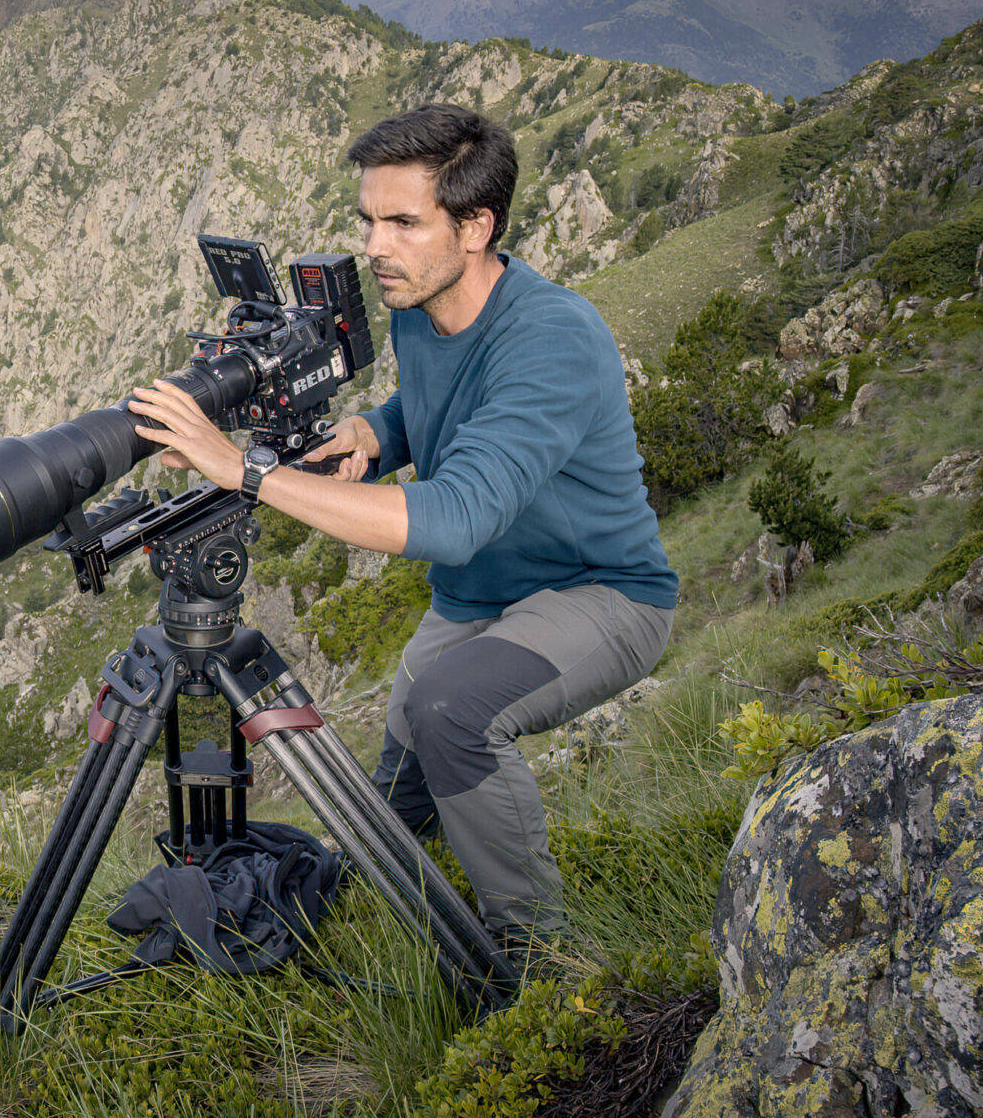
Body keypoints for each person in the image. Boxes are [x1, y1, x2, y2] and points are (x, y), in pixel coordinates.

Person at [126, 102, 678, 958]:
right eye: (370, 221)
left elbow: (454, 519)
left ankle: (538, 959)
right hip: (476, 599)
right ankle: (359, 903)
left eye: (403, 222)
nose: (376, 247)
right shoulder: (420, 306)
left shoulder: (553, 338)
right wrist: (379, 433)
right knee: (389, 802)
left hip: (599, 593)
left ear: (476, 226)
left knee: (449, 710)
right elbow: (445, 407)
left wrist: (245, 470)